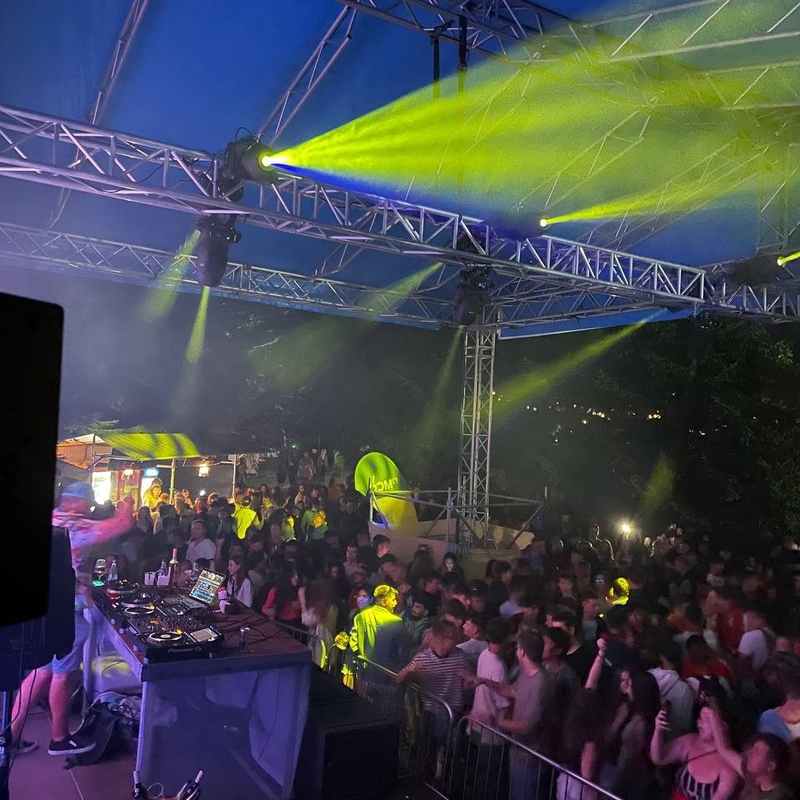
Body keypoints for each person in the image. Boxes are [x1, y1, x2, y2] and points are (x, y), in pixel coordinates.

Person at [10, 483, 130, 756]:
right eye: (88, 502)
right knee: (62, 674)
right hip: (63, 613)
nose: (90, 507)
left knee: (41, 672)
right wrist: (127, 504)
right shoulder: (72, 525)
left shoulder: (52, 517)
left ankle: (10, 735)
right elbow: (121, 524)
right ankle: (60, 738)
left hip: (44, 611)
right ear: (77, 501)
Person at [650, 700, 741, 800]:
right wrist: (658, 731)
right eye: (700, 718)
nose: (699, 722)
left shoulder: (730, 768)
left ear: (724, 725)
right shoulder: (690, 740)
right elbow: (659, 758)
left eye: (706, 719)